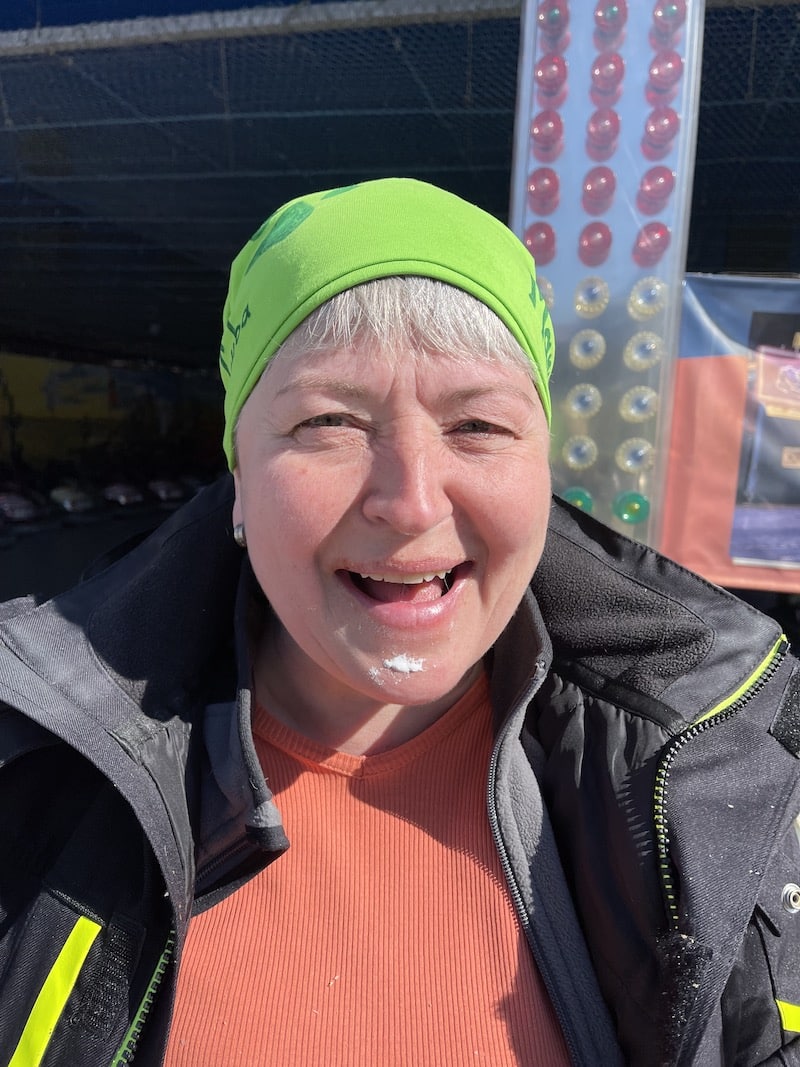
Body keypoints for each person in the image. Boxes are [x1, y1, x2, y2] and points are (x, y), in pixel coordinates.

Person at [1, 178, 799, 1067]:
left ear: (543, 472)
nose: (412, 502)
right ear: (239, 481)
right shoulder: (31, 779)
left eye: (478, 424)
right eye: (329, 421)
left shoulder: (727, 786)